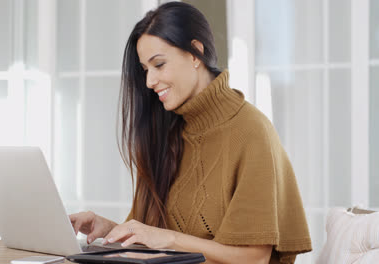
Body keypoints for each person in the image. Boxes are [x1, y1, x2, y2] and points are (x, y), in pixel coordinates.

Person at [69, 2, 312, 264]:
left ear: (195, 53)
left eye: (159, 65)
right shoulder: (166, 132)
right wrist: (108, 230)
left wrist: (169, 238)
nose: (149, 82)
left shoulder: (251, 132)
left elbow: (254, 259)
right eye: (145, 70)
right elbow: (155, 245)